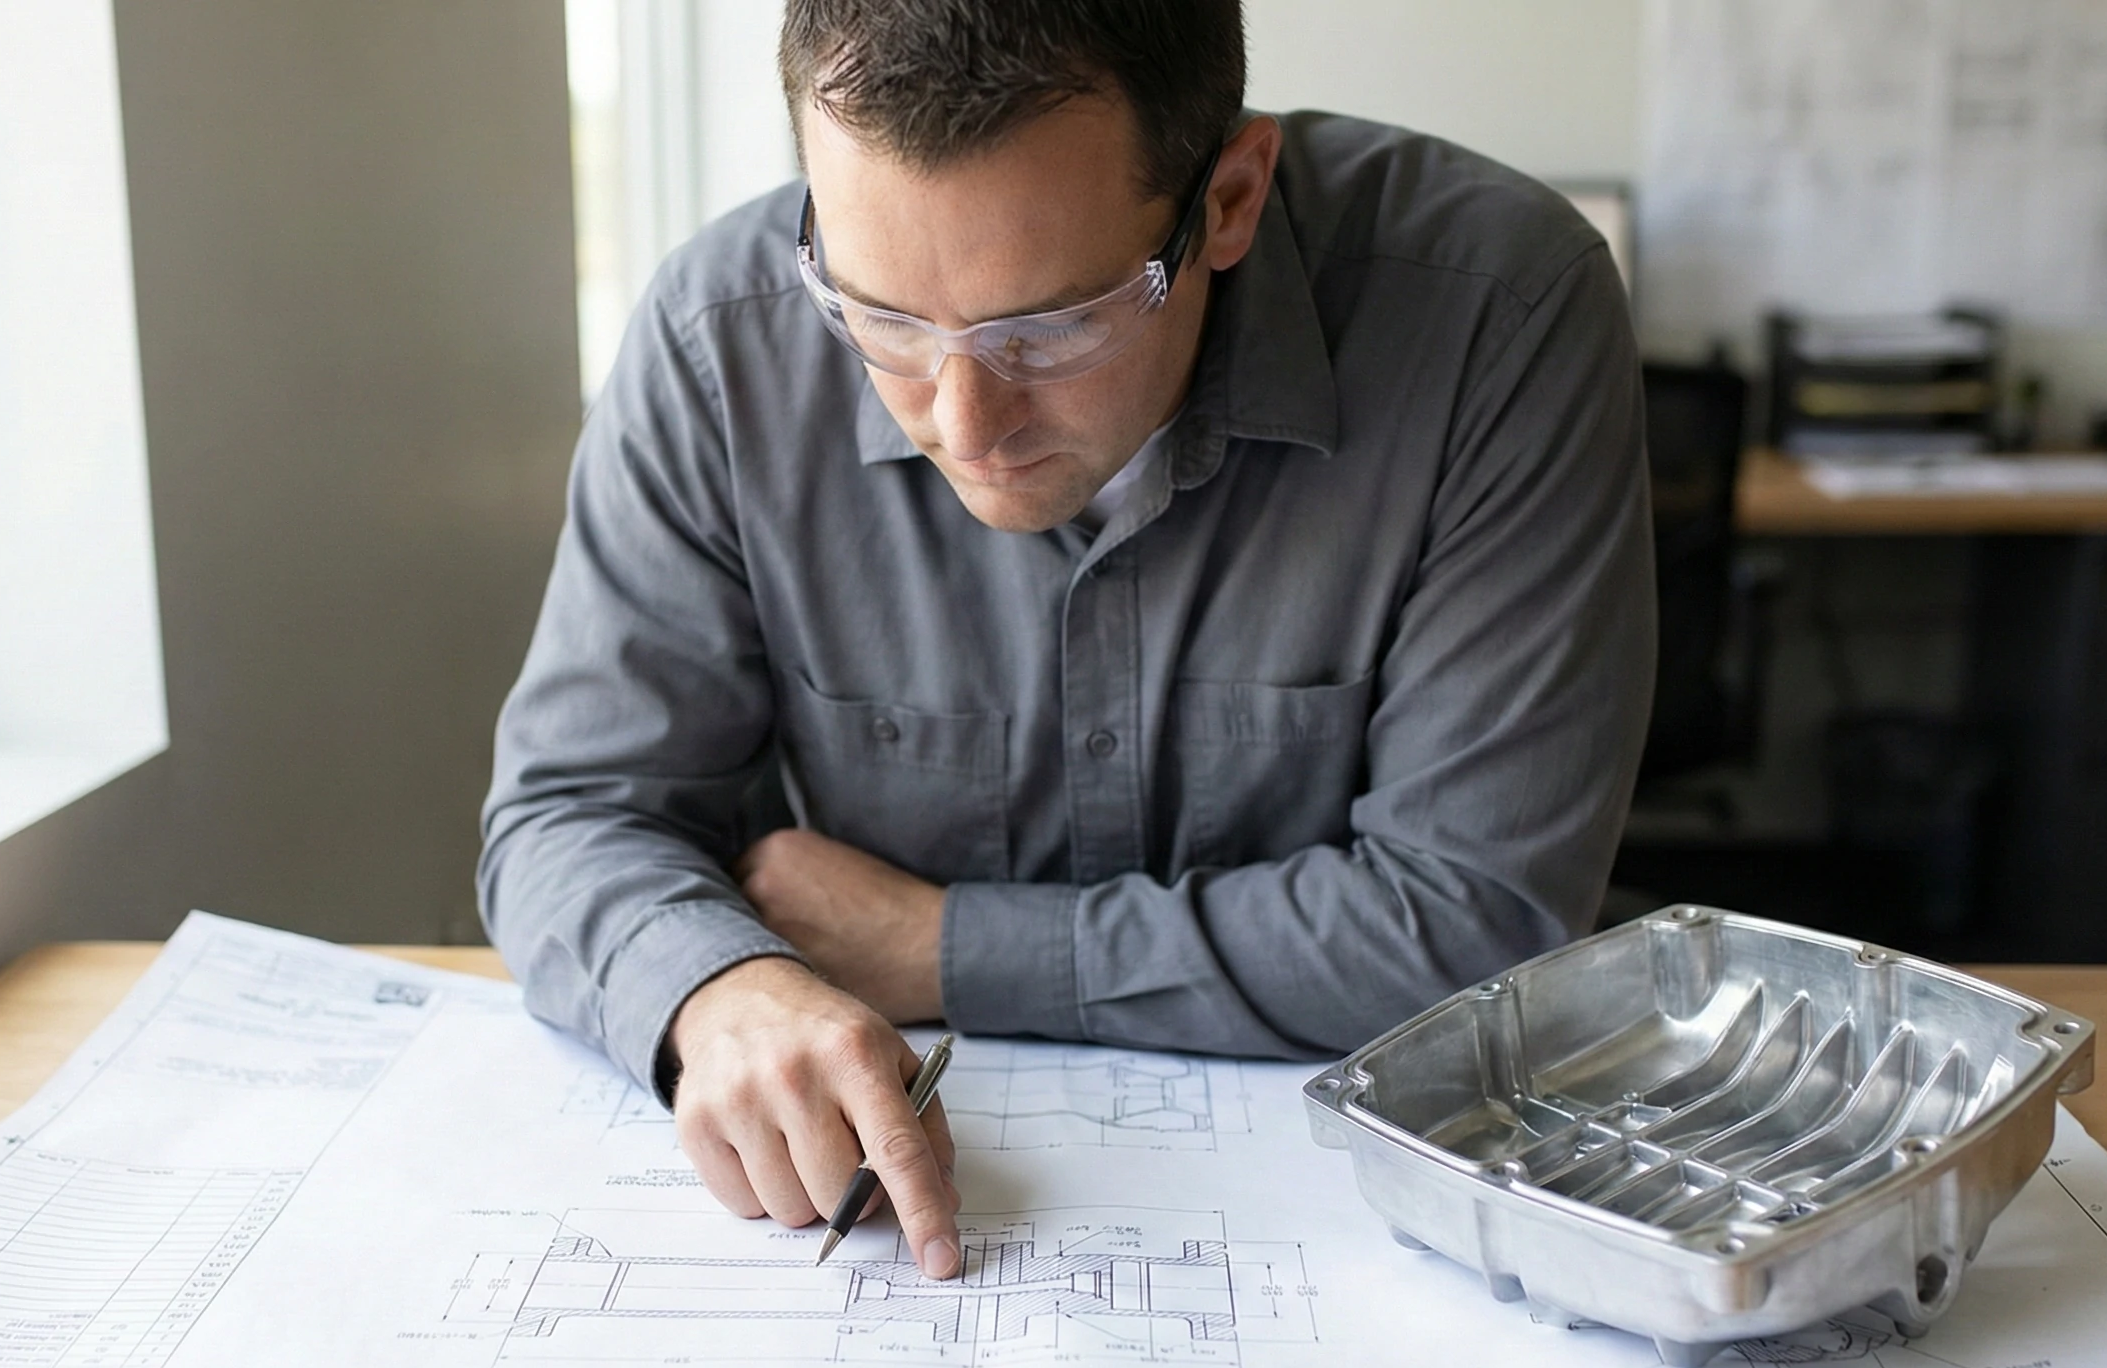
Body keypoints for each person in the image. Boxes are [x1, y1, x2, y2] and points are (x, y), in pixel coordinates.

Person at [480, 0, 1654, 1283]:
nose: (963, 423)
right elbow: (569, 813)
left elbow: (1478, 919)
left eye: (1045, 329)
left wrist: (938, 947)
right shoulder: (722, 341)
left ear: (1228, 200)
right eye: (879, 317)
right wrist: (718, 990)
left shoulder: (1499, 311)